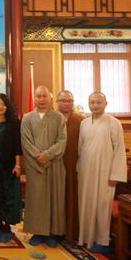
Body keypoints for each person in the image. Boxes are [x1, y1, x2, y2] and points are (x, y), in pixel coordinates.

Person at [77, 92, 127, 253]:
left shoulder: (114, 123)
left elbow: (119, 150)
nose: (95, 105)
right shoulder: (84, 123)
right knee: (86, 204)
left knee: (102, 206)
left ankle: (103, 241)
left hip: (105, 172)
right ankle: (86, 238)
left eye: (98, 102)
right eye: (92, 102)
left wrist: (116, 175)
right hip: (86, 171)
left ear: (106, 104)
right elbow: (80, 149)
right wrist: (78, 169)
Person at [20, 86, 67, 248]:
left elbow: (62, 141)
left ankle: (53, 233)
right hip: (35, 167)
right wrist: (38, 158)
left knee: (55, 198)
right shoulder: (27, 118)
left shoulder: (59, 118)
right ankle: (37, 232)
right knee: (36, 199)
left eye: (44, 96)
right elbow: (26, 142)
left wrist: (46, 156)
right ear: (34, 98)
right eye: (38, 96)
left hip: (54, 164)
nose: (41, 99)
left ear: (50, 98)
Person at [0, 93, 23, 243]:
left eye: (2, 104)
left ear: (7, 106)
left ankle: (7, 227)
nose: (0, 107)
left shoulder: (14, 123)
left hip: (9, 167)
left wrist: (18, 165)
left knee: (9, 196)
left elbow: (18, 145)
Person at [56, 90, 85, 245]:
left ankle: (72, 232)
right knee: (56, 197)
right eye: (63, 100)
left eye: (69, 100)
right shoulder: (52, 118)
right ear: (57, 102)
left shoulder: (81, 120)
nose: (66, 103)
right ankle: (55, 231)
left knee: (72, 196)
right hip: (55, 164)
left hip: (73, 164)